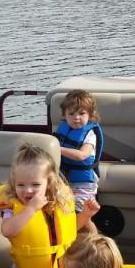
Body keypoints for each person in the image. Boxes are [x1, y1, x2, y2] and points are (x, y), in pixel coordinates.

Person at [53, 90, 103, 234]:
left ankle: (94, 243)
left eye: (81, 114)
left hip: (83, 184)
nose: (76, 118)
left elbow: (82, 155)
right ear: (64, 115)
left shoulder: (90, 134)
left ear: (90, 115)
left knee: (84, 217)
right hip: (63, 181)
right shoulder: (63, 129)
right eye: (71, 114)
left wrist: (57, 148)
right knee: (64, 214)